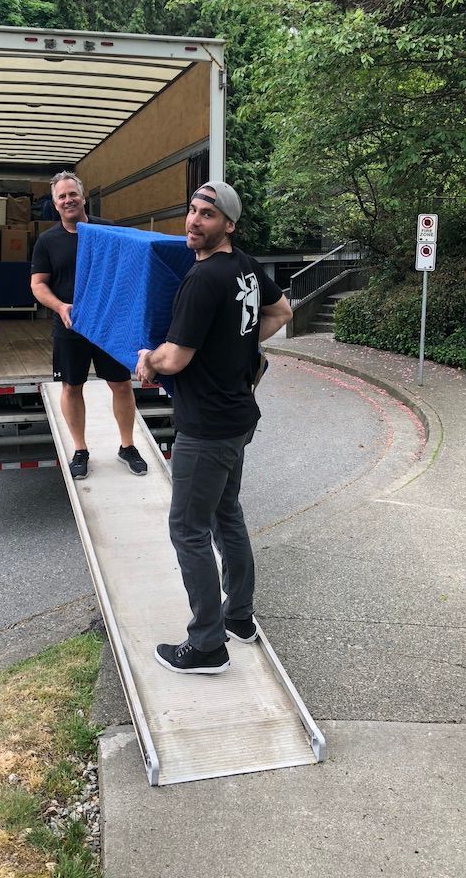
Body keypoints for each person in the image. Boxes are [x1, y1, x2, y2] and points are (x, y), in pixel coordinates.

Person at [136, 181, 292, 674]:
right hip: (237, 416)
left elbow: (176, 358)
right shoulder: (245, 265)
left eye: (207, 214)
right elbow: (282, 311)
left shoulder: (203, 280)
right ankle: (239, 618)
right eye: (192, 210)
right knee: (226, 513)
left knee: (188, 529)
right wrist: (237, 347)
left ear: (228, 224)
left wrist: (147, 361)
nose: (194, 220)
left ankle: (206, 644)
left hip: (206, 426)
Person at [31, 171, 148, 480]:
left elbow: (131, 270)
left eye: (73, 194)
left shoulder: (109, 232)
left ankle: (127, 446)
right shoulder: (47, 241)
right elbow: (38, 284)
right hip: (71, 326)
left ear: (83, 198)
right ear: (55, 204)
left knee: (121, 384)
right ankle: (80, 450)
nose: (68, 200)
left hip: (109, 324)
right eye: (62, 196)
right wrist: (59, 306)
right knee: (72, 387)